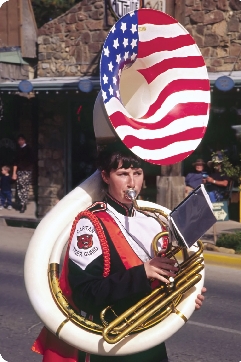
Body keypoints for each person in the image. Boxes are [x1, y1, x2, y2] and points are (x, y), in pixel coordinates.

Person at [32, 142, 206, 362]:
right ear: (105, 176)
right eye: (123, 173)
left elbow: (163, 281)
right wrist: (141, 273)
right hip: (112, 346)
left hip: (151, 342)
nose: (132, 182)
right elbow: (85, 295)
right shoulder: (91, 225)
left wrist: (185, 293)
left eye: (137, 172)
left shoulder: (154, 221)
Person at [12, 134, 33, 213]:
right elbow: (15, 162)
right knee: (19, 187)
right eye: (19, 140)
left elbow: (32, 160)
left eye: (22, 140)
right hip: (19, 171)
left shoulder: (28, 149)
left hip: (26, 171)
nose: (20, 141)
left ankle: (23, 204)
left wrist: (28, 168)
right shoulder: (18, 150)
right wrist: (14, 173)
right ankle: (21, 203)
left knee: (24, 188)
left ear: (24, 140)